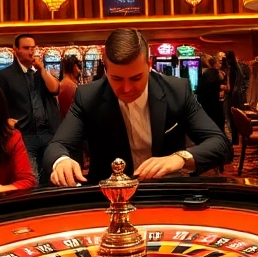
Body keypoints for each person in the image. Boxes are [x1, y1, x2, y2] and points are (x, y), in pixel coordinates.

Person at [45, 28, 232, 185]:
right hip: (110, 195)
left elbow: (220, 144)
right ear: (106, 68)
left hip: (166, 192)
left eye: (136, 78)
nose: (126, 88)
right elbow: (57, 146)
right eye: (117, 78)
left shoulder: (177, 91)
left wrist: (179, 158)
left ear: (149, 65)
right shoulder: (88, 96)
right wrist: (62, 161)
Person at [0, 33, 61, 185]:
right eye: (26, 48)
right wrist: (6, 121)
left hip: (47, 132)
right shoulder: (5, 75)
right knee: (31, 179)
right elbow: (0, 103)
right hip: (24, 133)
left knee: (51, 178)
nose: (31, 52)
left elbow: (55, 89)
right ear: (16, 50)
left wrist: (42, 69)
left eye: (33, 48)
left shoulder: (40, 73)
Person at [223, 50, 251, 145]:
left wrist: (222, 88)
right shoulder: (238, 68)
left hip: (232, 97)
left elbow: (229, 87)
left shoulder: (231, 70)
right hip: (239, 96)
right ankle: (237, 140)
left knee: (231, 118)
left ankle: (234, 140)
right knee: (237, 118)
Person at [195, 55, 225, 131]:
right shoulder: (213, 72)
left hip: (203, 100)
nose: (220, 64)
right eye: (219, 62)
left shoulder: (203, 72)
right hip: (212, 101)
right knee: (217, 122)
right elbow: (215, 84)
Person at [58, 53, 82, 118]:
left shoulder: (63, 84)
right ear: (75, 67)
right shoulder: (70, 86)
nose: (79, 71)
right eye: (78, 67)